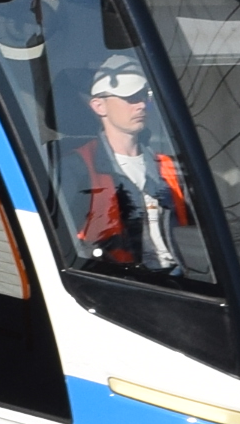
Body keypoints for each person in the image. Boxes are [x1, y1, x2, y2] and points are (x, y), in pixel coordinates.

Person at [67, 54, 198, 279]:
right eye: (130, 98)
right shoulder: (77, 166)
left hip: (179, 281)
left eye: (143, 97)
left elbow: (196, 233)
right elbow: (65, 241)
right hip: (118, 284)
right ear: (99, 106)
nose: (140, 105)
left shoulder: (168, 168)